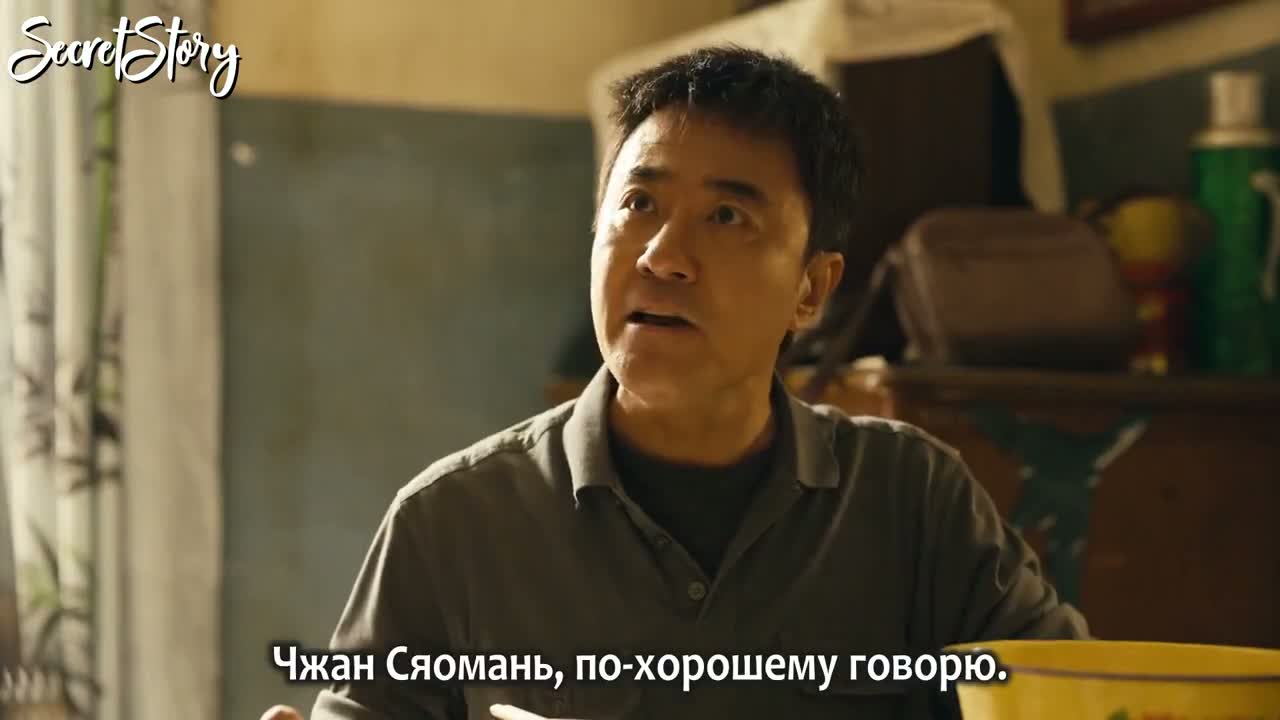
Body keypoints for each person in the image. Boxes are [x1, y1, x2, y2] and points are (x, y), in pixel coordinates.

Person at [265, 45, 1088, 720]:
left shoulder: (914, 502)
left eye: (727, 216)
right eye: (638, 205)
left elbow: (1075, 700)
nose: (662, 257)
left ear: (811, 289)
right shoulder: (453, 524)